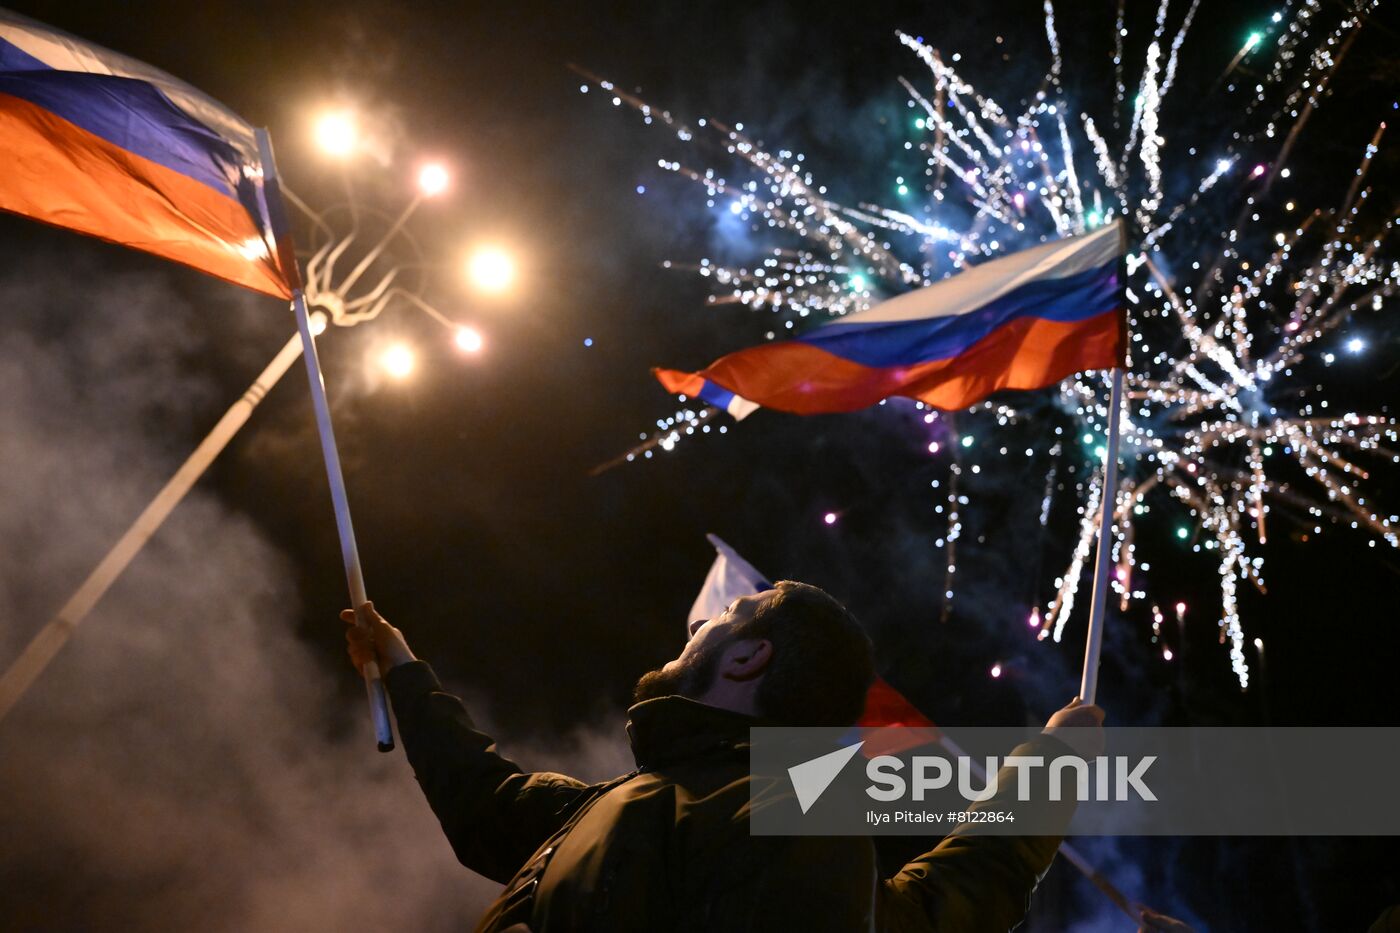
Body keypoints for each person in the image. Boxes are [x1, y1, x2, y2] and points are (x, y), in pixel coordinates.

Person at [344, 580, 1105, 932]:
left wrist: (1046, 773)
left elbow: (942, 902)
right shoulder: (620, 804)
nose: (701, 626)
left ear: (748, 662)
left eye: (726, 619)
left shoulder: (790, 821)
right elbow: (487, 804)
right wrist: (405, 670)